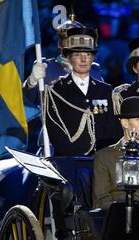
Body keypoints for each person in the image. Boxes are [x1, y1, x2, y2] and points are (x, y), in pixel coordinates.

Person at [44, 27, 120, 156]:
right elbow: (55, 130)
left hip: (100, 161)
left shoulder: (105, 90)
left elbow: (112, 129)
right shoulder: (56, 90)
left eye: (88, 55)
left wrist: (103, 158)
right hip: (67, 161)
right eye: (78, 55)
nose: (83, 60)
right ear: (69, 58)